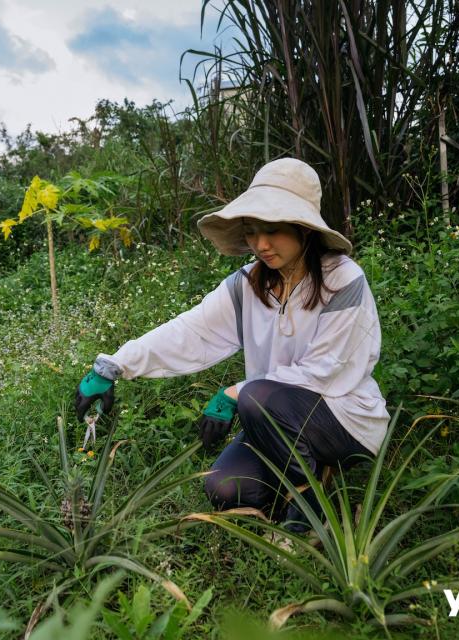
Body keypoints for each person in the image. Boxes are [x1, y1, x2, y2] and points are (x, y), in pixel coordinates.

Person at [75, 158, 389, 528]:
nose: (261, 244)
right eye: (252, 231)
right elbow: (190, 331)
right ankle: (310, 471)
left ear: (303, 229)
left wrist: (237, 392)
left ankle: (310, 514)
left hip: (343, 419)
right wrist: (114, 365)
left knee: (257, 397)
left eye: (272, 230)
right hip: (273, 418)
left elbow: (329, 371)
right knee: (224, 488)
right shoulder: (248, 284)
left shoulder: (344, 281)